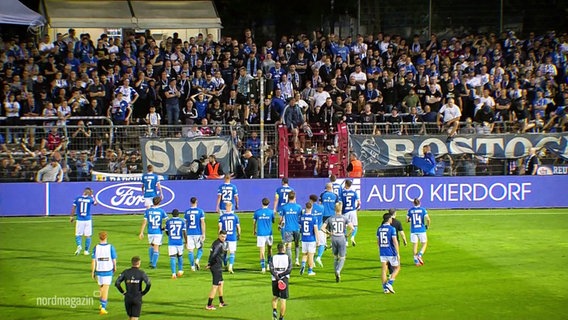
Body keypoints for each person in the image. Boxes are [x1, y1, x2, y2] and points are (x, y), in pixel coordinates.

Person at [321, 202, 354, 282]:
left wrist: (329, 233)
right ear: (341, 208)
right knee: (342, 257)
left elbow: (322, 228)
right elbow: (352, 228)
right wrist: (347, 235)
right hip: (341, 237)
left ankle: (336, 271)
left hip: (334, 238)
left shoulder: (330, 218)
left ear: (334, 209)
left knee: (335, 257)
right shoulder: (344, 218)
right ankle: (338, 270)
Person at [115, 256, 151, 320]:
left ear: (132, 263)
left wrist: (123, 292)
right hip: (137, 297)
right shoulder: (141, 273)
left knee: (130, 317)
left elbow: (117, 283)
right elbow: (148, 283)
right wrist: (143, 293)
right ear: (139, 263)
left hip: (128, 297)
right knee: (135, 318)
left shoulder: (125, 272)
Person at [91, 231, 117, 315]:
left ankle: (101, 304)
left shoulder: (96, 247)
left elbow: (93, 261)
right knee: (105, 290)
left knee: (101, 288)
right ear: (106, 237)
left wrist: (92, 271)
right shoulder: (110, 247)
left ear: (99, 238)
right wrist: (115, 267)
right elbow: (114, 259)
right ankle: (103, 307)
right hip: (108, 271)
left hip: (99, 271)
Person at [138, 197, 168, 269]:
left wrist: (141, 232)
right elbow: (167, 220)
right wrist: (164, 227)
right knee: (156, 248)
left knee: (151, 246)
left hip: (150, 232)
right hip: (158, 232)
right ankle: (153, 265)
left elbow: (144, 222)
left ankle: (151, 261)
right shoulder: (161, 211)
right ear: (159, 203)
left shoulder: (148, 211)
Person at [70, 187, 97, 256]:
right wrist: (92, 195)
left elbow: (73, 207)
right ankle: (86, 251)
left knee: (78, 234)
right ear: (89, 193)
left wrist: (71, 216)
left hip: (79, 219)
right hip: (87, 219)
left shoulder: (77, 198)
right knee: (88, 236)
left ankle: (79, 245)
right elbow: (96, 203)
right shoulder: (90, 199)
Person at [377, 213, 400, 294]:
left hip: (382, 251)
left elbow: (378, 242)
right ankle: (390, 284)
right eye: (391, 218)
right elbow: (395, 242)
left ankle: (385, 289)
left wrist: (380, 250)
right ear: (389, 219)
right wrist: (398, 253)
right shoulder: (392, 229)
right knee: (397, 268)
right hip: (391, 252)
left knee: (384, 270)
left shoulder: (379, 229)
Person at [205, 230, 228, 310]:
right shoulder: (218, 244)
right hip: (216, 267)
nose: (224, 238)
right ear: (219, 235)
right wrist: (209, 264)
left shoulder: (217, 242)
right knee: (215, 286)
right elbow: (213, 255)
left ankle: (221, 302)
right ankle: (209, 305)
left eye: (225, 237)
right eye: (222, 236)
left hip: (218, 266)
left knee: (221, 283)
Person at [278, 191, 302, 266]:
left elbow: (281, 218)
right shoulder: (298, 207)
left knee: (289, 245)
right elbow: (301, 218)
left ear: (288, 198)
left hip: (288, 228)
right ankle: (297, 259)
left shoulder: (284, 207)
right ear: (295, 198)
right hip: (297, 228)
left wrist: (279, 225)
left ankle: (290, 262)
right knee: (297, 244)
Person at [270, 243, 292, 320]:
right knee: (283, 300)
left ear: (278, 249)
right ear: (284, 249)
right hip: (284, 280)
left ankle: (274, 310)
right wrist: (281, 276)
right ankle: (281, 318)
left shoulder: (273, 257)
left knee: (275, 297)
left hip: (275, 280)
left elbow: (271, 270)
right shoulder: (287, 257)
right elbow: (289, 270)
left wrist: (277, 277)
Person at [407, 198, 430, 266]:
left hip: (413, 230)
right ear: (420, 203)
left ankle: (416, 260)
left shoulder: (410, 210)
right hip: (421, 229)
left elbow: (406, 220)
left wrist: (410, 220)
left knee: (415, 245)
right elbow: (428, 219)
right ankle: (420, 255)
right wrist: (427, 226)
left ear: (413, 203)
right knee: (424, 243)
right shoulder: (423, 210)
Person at [184, 197, 206, 271]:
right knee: (200, 248)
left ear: (190, 202)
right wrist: (203, 234)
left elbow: (185, 223)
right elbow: (202, 223)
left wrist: (185, 234)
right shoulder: (200, 211)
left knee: (190, 250)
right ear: (196, 202)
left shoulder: (187, 212)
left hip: (189, 233)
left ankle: (192, 267)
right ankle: (197, 260)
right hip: (198, 232)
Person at [218, 202, 241, 273]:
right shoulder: (235, 217)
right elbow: (238, 227)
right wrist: (239, 234)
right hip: (232, 237)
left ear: (225, 207)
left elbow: (220, 228)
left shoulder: (222, 217)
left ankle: (225, 265)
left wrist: (219, 236)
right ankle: (230, 266)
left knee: (224, 252)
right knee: (232, 252)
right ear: (231, 207)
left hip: (224, 237)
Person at [253, 198, 275, 273]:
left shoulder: (257, 212)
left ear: (262, 203)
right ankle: (269, 265)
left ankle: (263, 268)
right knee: (269, 249)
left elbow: (254, 222)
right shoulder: (271, 212)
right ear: (268, 203)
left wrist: (254, 230)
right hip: (269, 233)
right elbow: (273, 221)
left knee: (262, 250)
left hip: (260, 233)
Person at [299, 202, 319, 276]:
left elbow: (300, 227)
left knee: (305, 254)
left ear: (305, 207)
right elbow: (316, 229)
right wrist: (318, 240)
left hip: (304, 238)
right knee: (311, 255)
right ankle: (310, 271)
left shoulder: (302, 217)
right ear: (311, 208)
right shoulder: (313, 218)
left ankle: (303, 265)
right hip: (311, 239)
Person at [166, 209, 187, 279]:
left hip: (171, 242)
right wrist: (186, 241)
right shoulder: (182, 221)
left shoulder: (168, 221)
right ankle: (180, 270)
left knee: (172, 257)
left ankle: (173, 274)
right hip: (179, 242)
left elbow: (167, 232)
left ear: (172, 214)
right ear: (178, 214)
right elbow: (184, 232)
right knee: (180, 256)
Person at [386, 208, 408, 275]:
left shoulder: (385, 222)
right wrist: (404, 240)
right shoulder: (397, 222)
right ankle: (394, 271)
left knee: (389, 256)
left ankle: (390, 272)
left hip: (387, 241)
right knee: (395, 256)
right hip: (395, 242)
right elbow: (401, 232)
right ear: (395, 213)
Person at [308, 194, 326, 267]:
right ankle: (318, 257)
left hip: (311, 229)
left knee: (312, 246)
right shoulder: (321, 207)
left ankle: (312, 261)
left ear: (311, 200)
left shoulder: (309, 208)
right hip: (319, 228)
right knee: (322, 244)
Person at [342, 179, 360, 246]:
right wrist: (356, 208)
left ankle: (346, 241)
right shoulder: (354, 192)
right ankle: (352, 237)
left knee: (344, 227)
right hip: (352, 211)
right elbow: (359, 202)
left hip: (345, 211)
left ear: (345, 184)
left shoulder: (342, 193)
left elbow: (340, 203)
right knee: (355, 225)